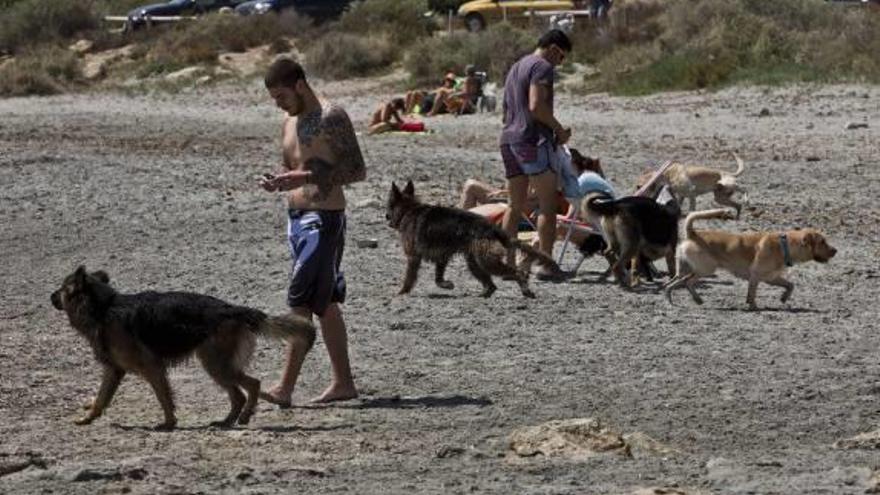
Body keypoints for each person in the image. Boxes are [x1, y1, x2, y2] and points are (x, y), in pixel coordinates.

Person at [258, 57, 365, 405]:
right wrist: (279, 181)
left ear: (300, 84)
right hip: (297, 221)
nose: (278, 103)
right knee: (326, 303)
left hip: (324, 221)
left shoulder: (331, 117)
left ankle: (284, 388)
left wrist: (303, 178)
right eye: (274, 98)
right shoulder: (288, 121)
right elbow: (293, 166)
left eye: (282, 96)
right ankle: (343, 383)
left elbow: (356, 170)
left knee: (300, 302)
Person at [499, 29, 572, 280]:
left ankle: (507, 264)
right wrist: (559, 131)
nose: (559, 64)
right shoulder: (542, 67)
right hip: (532, 140)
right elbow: (536, 106)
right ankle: (545, 264)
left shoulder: (516, 66)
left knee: (514, 205)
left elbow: (506, 108)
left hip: (508, 139)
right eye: (561, 58)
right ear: (553, 49)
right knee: (547, 205)